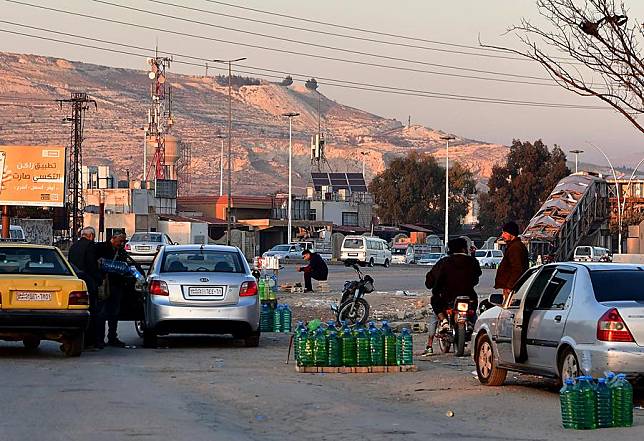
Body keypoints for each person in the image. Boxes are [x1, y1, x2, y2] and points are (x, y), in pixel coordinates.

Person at [422, 238, 481, 356]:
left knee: (435, 306)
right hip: (468, 297)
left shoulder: (444, 262)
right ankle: (475, 329)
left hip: (446, 298)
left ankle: (433, 338)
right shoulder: (472, 262)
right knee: (475, 314)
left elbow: (431, 279)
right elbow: (477, 277)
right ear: (464, 248)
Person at [68, 226, 104, 350]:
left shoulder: (73, 247)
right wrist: (99, 279)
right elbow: (92, 266)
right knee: (94, 313)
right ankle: (92, 341)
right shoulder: (90, 247)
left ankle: (79, 340)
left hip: (76, 283)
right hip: (89, 283)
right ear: (91, 236)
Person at [96, 232, 128, 348]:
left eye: (124, 241)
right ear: (113, 239)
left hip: (116, 285)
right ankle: (99, 339)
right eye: (120, 241)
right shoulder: (102, 248)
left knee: (114, 314)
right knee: (102, 313)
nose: (122, 243)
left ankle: (112, 337)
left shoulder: (121, 251)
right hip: (105, 284)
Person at [494, 221, 529, 301]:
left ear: (511, 234)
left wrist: (510, 286)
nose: (502, 235)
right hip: (511, 287)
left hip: (512, 289)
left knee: (508, 310)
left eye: (505, 233)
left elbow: (517, 269)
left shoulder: (515, 248)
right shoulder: (514, 246)